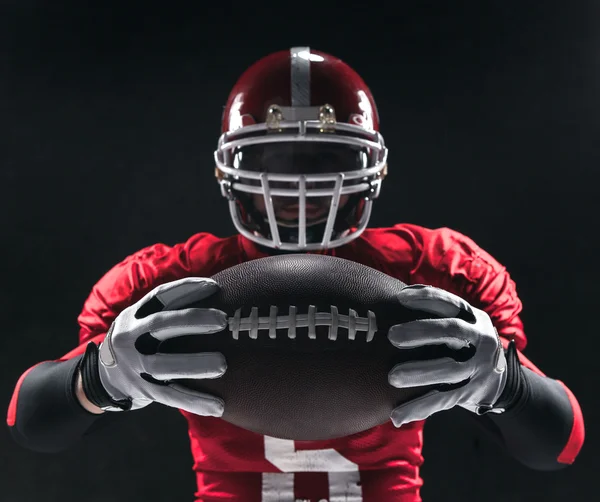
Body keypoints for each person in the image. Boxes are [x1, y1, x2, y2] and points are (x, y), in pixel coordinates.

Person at [7, 47, 584, 502]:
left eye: (324, 162)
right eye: (276, 163)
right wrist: (102, 374)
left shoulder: (434, 270)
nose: (301, 189)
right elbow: (32, 421)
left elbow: (559, 445)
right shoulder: (173, 281)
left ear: (370, 170)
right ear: (230, 171)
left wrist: (501, 381)